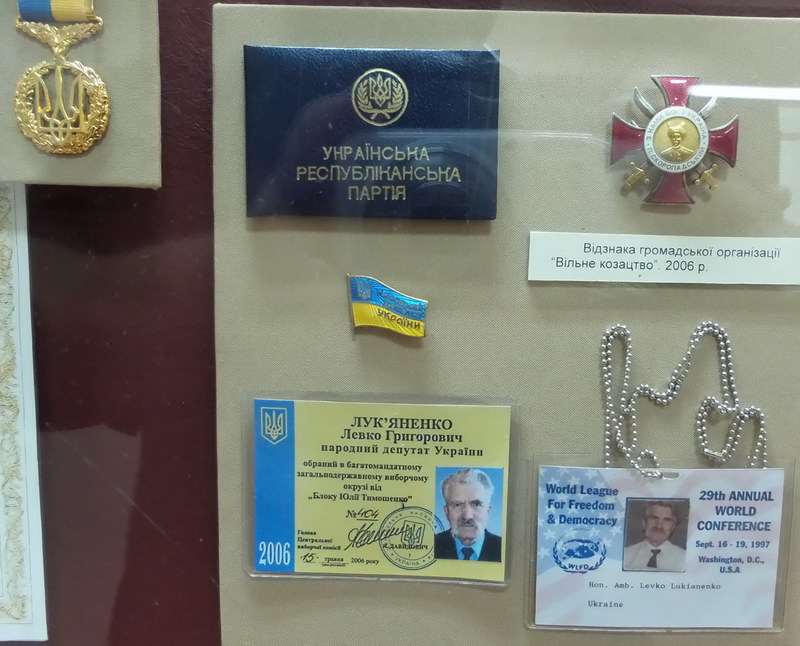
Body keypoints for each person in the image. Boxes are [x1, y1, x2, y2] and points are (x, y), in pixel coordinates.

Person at [434, 468, 501, 562]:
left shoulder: (502, 548)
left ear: (488, 511)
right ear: (446, 512)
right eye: (457, 505)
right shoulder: (432, 545)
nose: (467, 516)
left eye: (476, 504)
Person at [623, 500, 686, 572]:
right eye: (654, 518)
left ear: (673, 527)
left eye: (666, 520)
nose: (659, 525)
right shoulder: (626, 555)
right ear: (644, 523)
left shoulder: (683, 558)